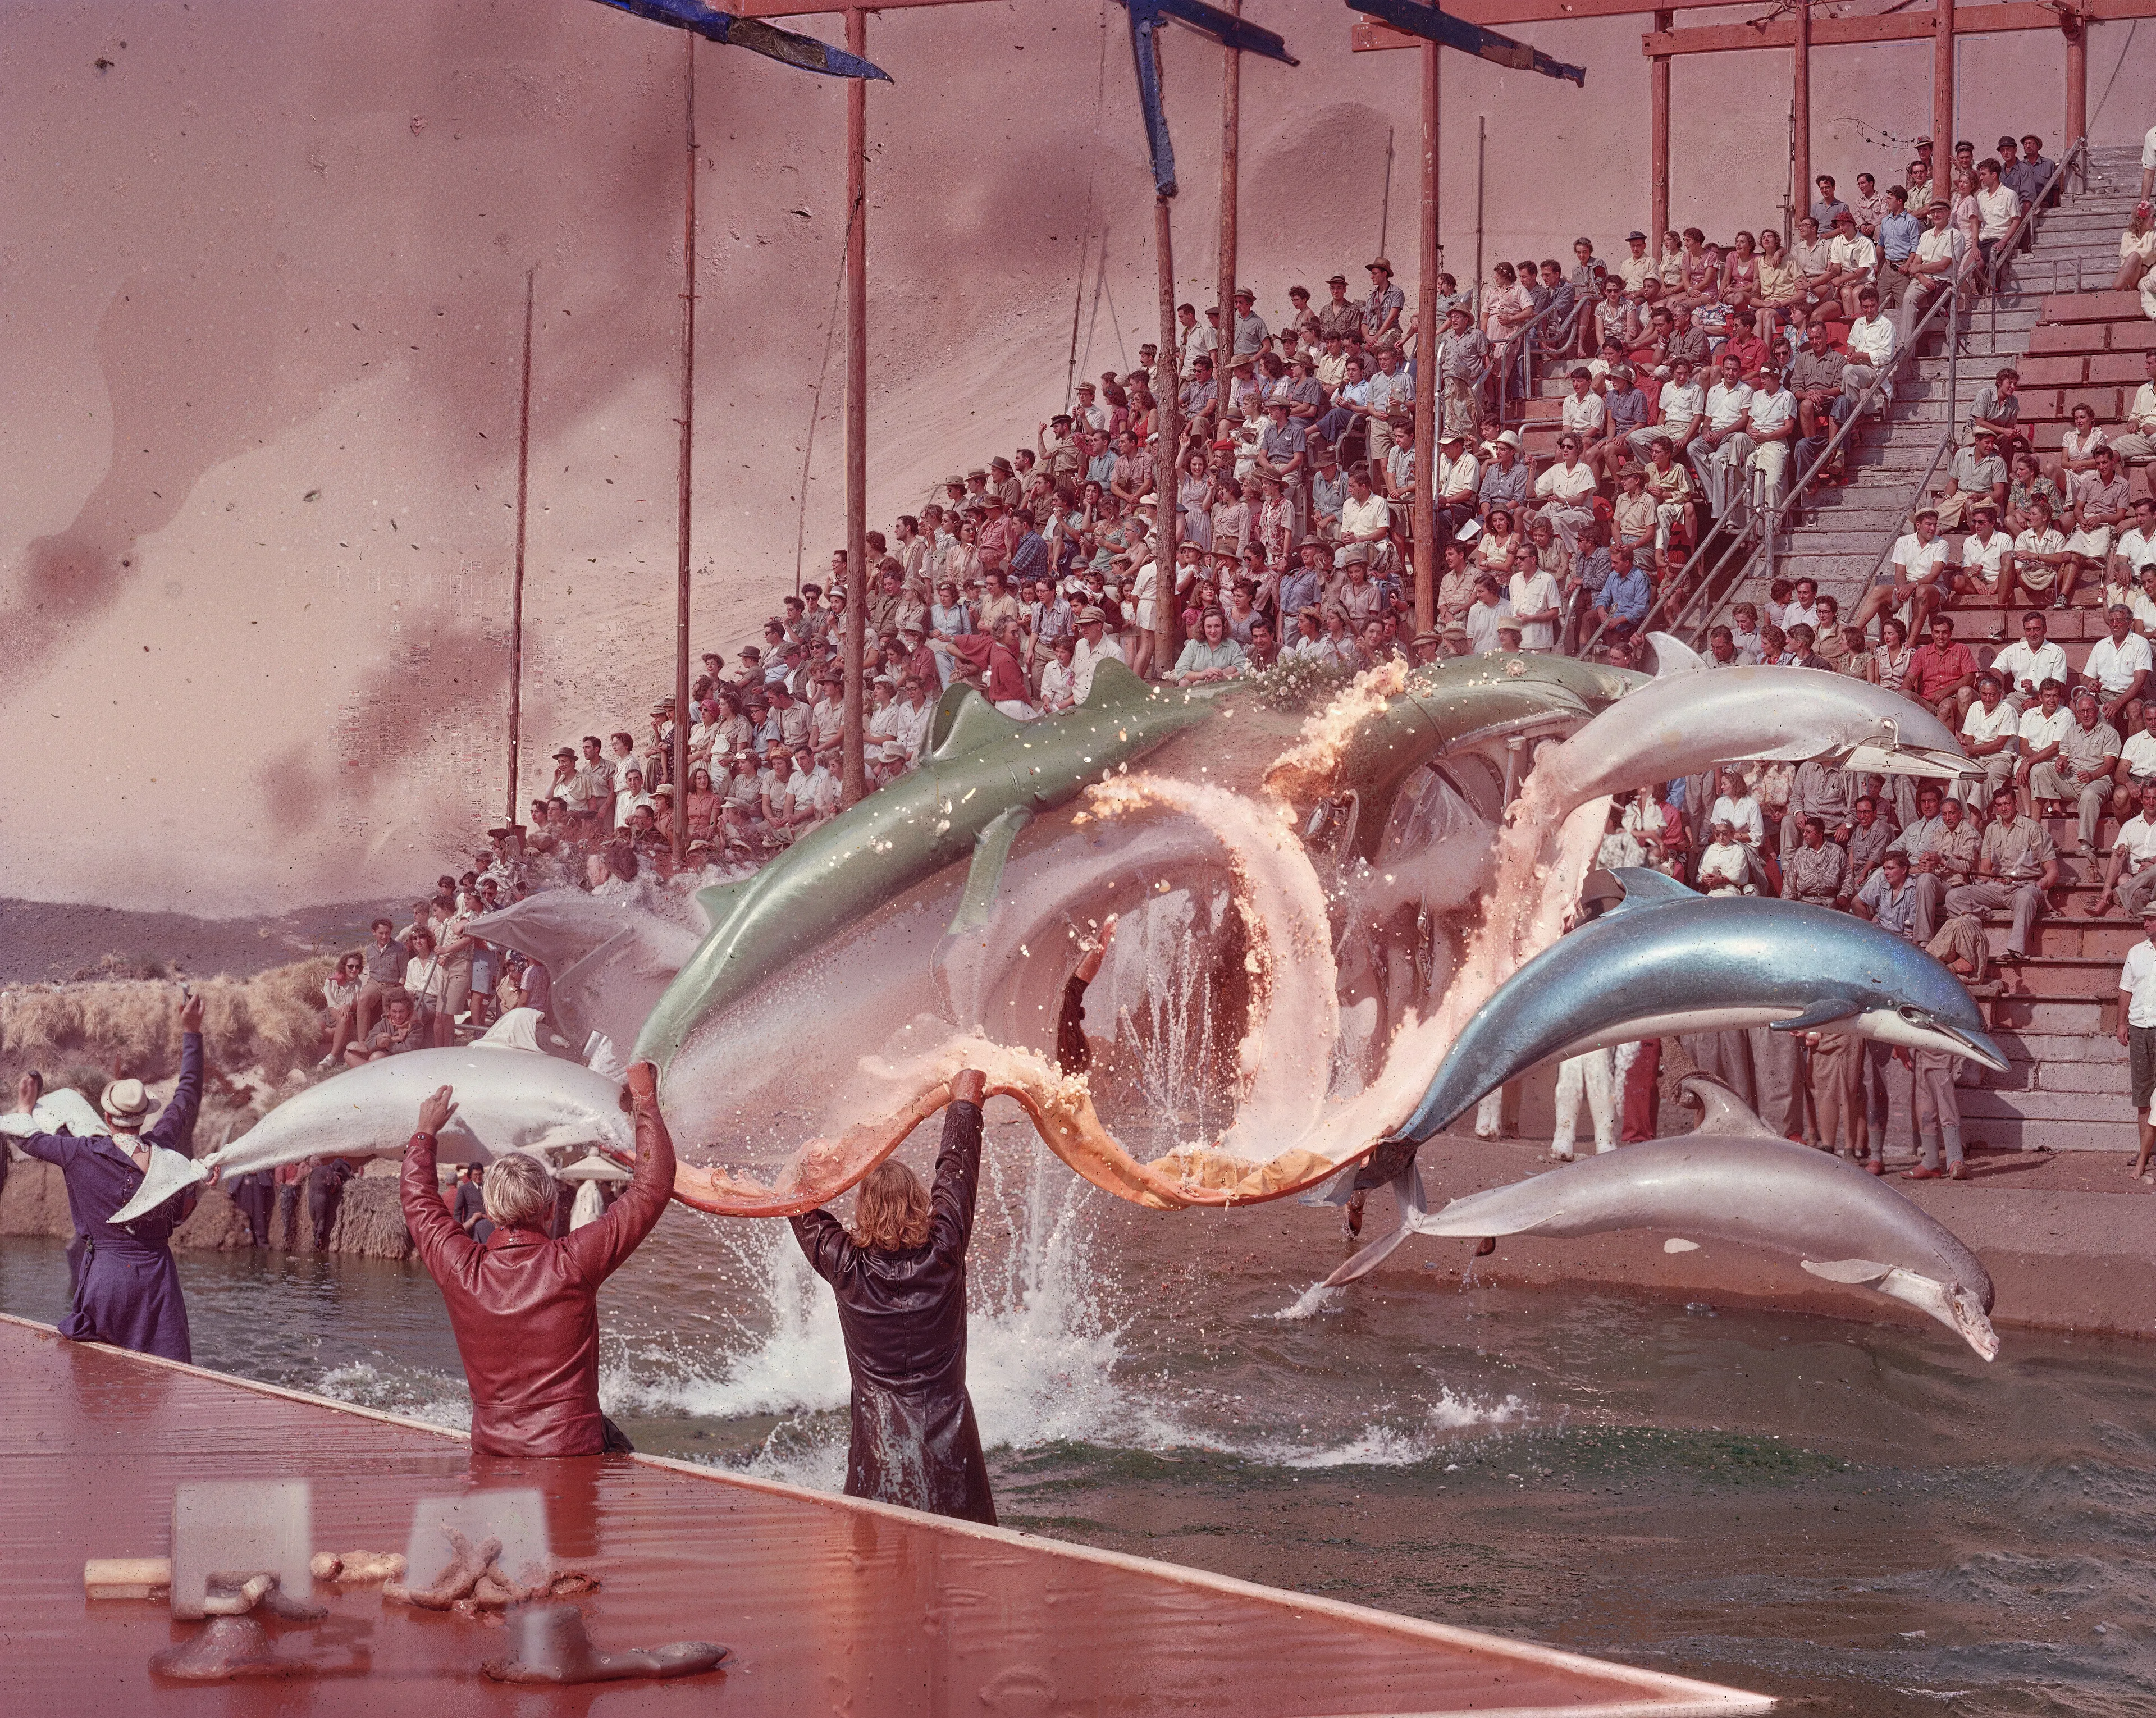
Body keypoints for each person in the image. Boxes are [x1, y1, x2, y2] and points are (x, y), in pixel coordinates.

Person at [400, 1067, 674, 1457]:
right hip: (572, 1451)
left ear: (492, 1212)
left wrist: (425, 1132)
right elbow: (652, 1188)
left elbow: (418, 1200)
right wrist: (646, 1101)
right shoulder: (573, 1262)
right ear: (550, 1210)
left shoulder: (462, 1270)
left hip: (493, 1451)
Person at [792, 1066, 995, 1524]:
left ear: (863, 1209)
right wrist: (966, 1102)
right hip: (950, 1432)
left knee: (877, 1558)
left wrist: (817, 1162)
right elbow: (957, 1168)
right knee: (966, 1554)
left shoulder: (845, 1263)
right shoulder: (946, 1248)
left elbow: (797, 1201)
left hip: (879, 1436)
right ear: (921, 1201)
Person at [10, 989, 205, 1361]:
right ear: (144, 1115)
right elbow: (188, 1091)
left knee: (98, 1371)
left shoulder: (80, 1153)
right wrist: (191, 1032)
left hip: (107, 1278)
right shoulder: (162, 1148)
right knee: (164, 1373)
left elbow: (29, 1140)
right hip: (157, 1280)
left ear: (108, 1117)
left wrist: (24, 1105)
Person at [2117, 907, 2156, 1181]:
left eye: (2151, 919)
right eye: (2145, 919)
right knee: (2143, 1096)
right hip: (2140, 1029)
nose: (2146, 924)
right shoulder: (2136, 952)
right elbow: (2125, 989)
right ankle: (2147, 1155)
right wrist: (2121, 1024)